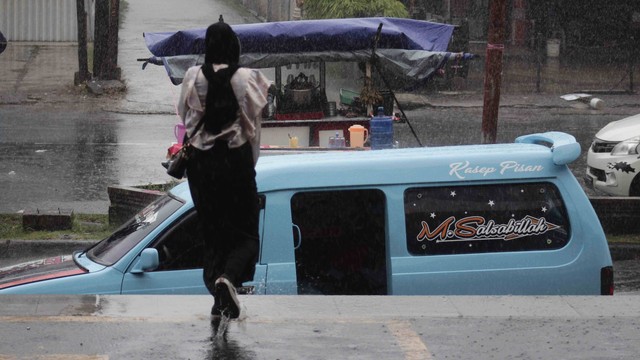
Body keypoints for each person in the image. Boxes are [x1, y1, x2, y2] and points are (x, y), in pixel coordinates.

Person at [177, 16, 270, 319]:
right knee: (246, 234)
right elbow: (253, 130)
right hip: (236, 165)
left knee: (212, 232)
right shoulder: (247, 78)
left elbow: (185, 119)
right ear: (233, 46)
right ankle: (227, 280)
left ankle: (219, 297)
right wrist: (247, 168)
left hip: (201, 169)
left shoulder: (192, 76)